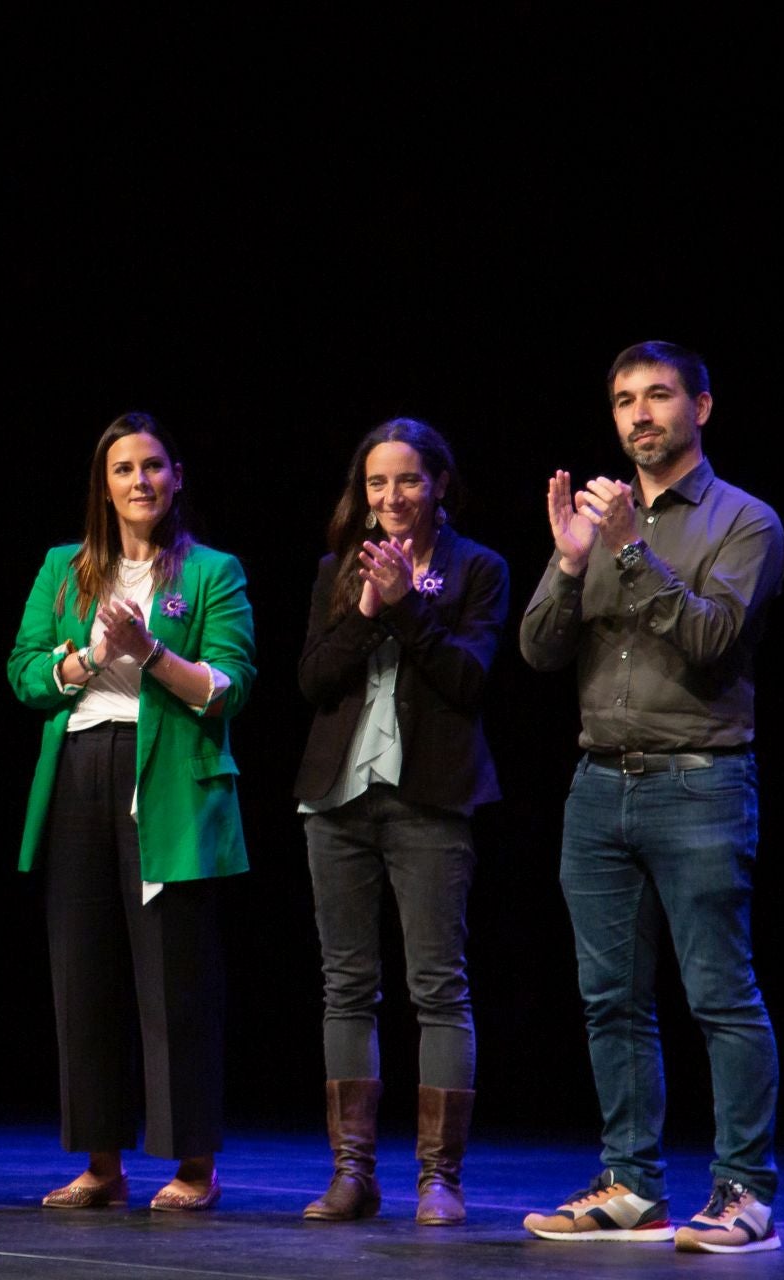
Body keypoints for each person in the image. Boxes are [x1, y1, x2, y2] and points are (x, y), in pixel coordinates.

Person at [519, 342, 784, 1254]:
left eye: (660, 395)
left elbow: (712, 640)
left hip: (701, 784)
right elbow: (537, 652)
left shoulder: (745, 522)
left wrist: (632, 550)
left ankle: (745, 1191)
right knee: (610, 1001)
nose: (640, 414)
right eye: (626, 399)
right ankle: (631, 1185)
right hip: (599, 787)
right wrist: (566, 564)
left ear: (700, 408)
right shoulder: (595, 525)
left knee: (720, 993)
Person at [7, 412, 256, 1213]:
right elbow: (23, 674)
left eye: (153, 466)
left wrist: (149, 653)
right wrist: (86, 659)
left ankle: (192, 1167)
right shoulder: (66, 568)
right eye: (123, 469)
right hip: (83, 766)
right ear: (104, 485)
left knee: (175, 978)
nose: (140, 481)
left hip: (172, 780)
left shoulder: (214, 572)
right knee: (84, 973)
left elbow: (230, 686)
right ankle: (102, 1164)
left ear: (176, 477)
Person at [293, 419, 507, 1225]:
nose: (391, 498)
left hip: (430, 801)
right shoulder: (336, 570)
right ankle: (353, 1173)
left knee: (437, 988)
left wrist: (404, 610)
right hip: (338, 800)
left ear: (440, 484)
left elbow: (467, 679)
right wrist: (365, 608)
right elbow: (313, 680)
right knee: (346, 987)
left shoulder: (477, 568)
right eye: (377, 484)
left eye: (408, 481)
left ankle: (438, 1179)